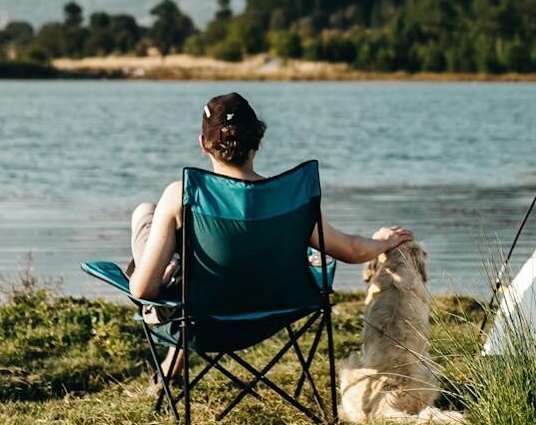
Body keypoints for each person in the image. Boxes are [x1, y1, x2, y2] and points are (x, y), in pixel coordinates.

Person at [127, 92, 413, 381]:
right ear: (258, 143)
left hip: (198, 322)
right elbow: (351, 249)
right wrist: (385, 242)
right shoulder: (290, 198)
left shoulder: (182, 193)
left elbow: (141, 292)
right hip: (271, 317)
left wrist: (156, 280)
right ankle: (169, 366)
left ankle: (169, 271)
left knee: (145, 213)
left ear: (204, 144)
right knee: (193, 256)